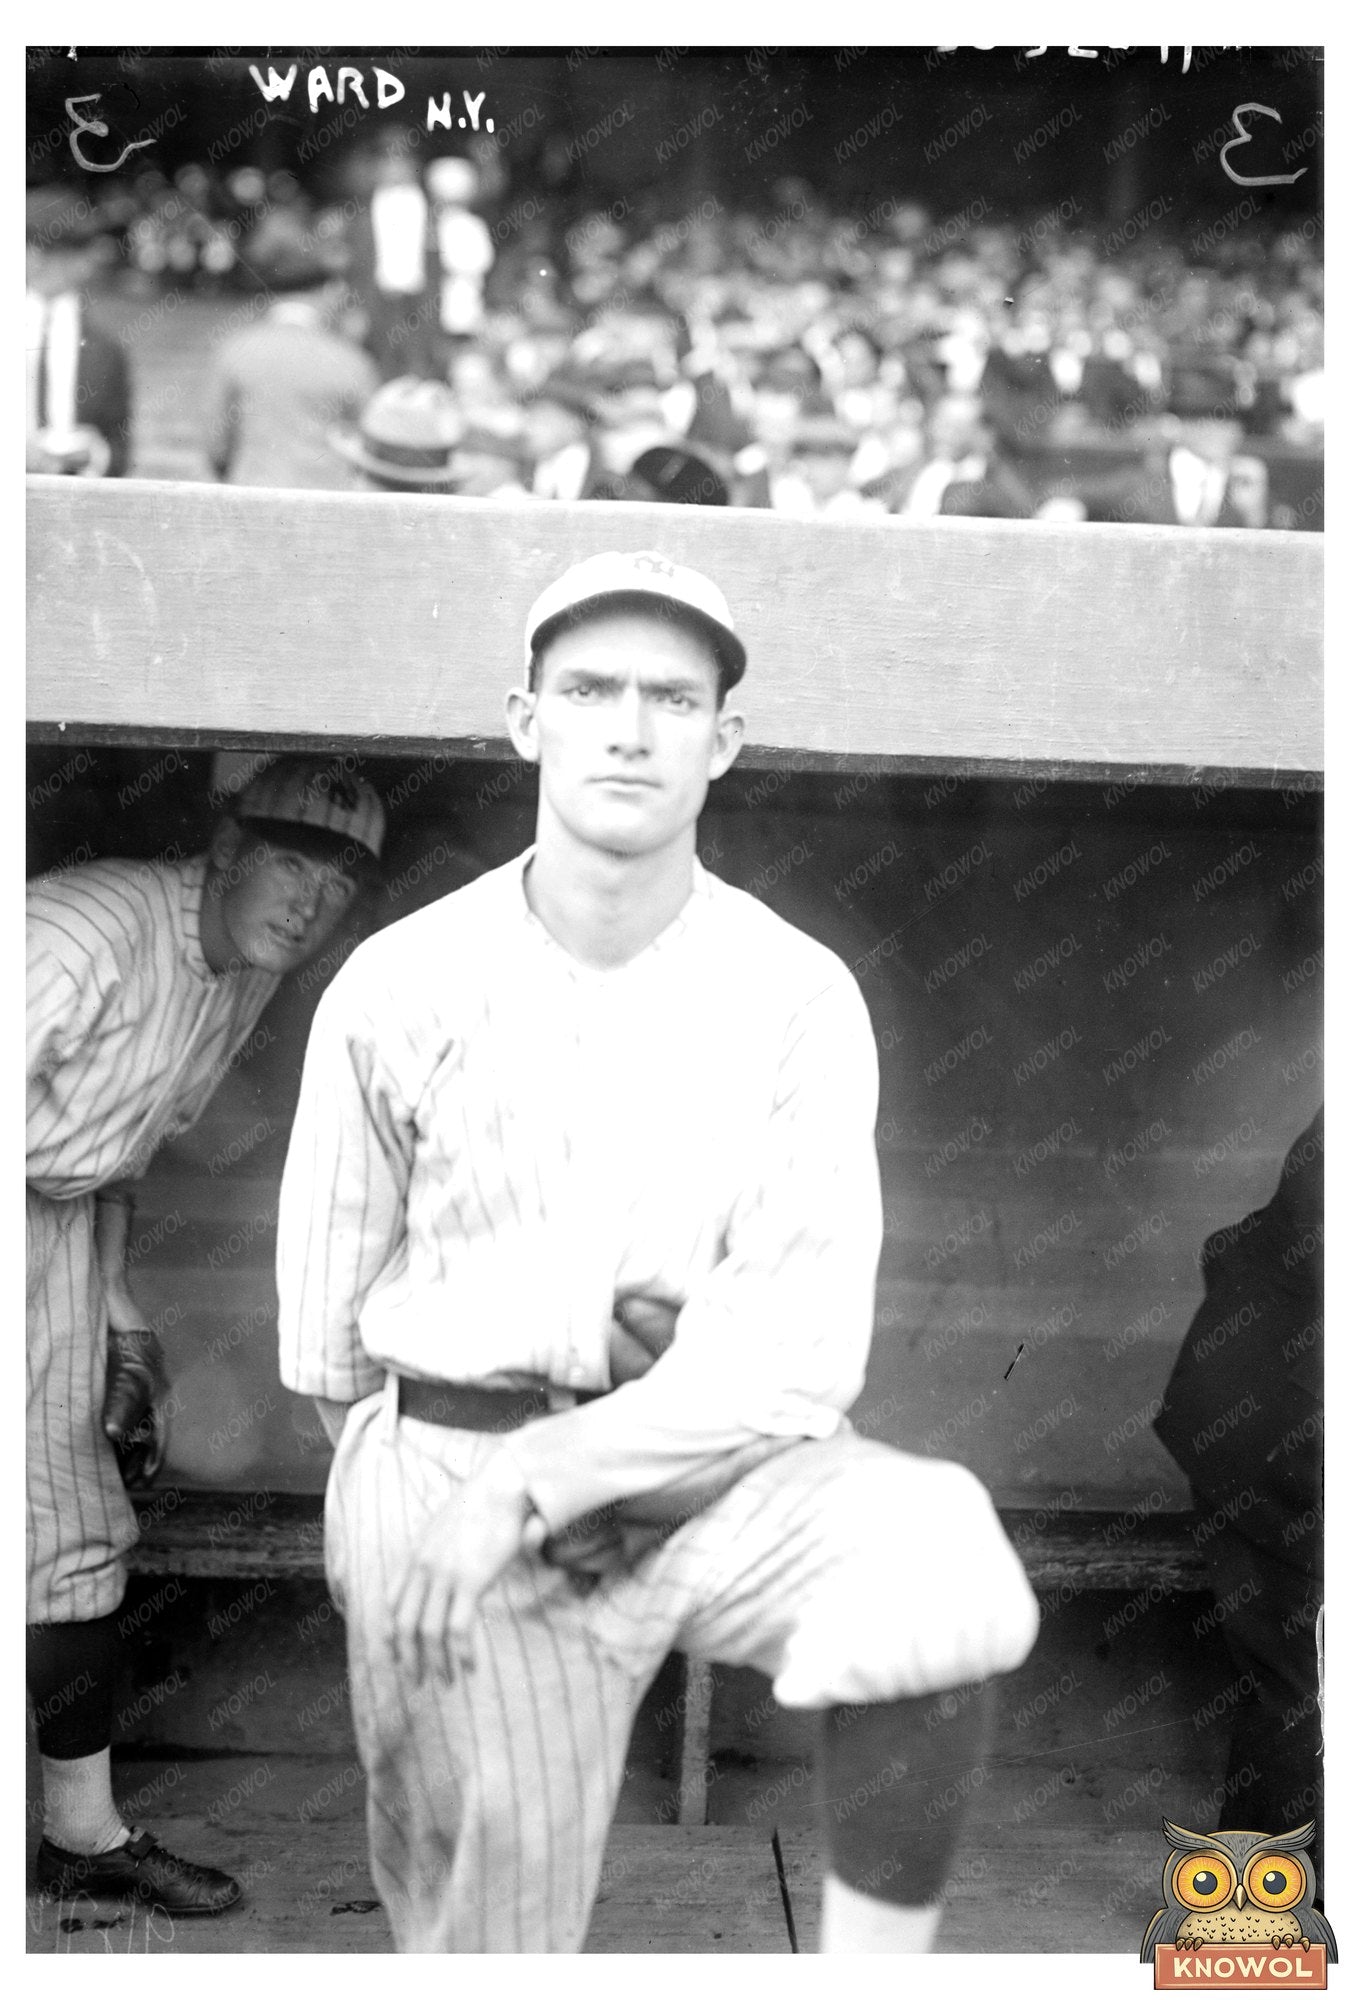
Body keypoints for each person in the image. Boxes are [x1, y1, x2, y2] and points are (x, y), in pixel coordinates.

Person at [276, 549, 1040, 1954]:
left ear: (722, 739)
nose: (628, 726)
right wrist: (456, 1480)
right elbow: (327, 1342)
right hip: (453, 1482)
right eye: (589, 688)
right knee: (488, 1948)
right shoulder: (398, 982)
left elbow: (803, 1350)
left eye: (671, 698)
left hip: (706, 1467)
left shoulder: (795, 992)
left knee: (937, 1556)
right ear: (526, 720)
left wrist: (582, 1460)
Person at [27, 757, 385, 1916]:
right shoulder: (83, 931)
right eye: (291, 859)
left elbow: (118, 1153)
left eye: (340, 878)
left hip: (60, 1228)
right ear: (227, 848)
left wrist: (115, 1300)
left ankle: (79, 1836)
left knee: (75, 1536)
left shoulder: (245, 969)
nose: (310, 898)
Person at [1154, 1109, 1324, 1879]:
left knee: (1302, 1680)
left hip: (1270, 1410)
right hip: (1271, 1428)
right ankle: (1264, 1919)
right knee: (1307, 1683)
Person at [204, 237, 379, 490]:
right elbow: (372, 448)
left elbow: (216, 447)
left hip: (251, 498)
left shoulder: (234, 350)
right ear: (326, 290)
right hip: (328, 506)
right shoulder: (350, 360)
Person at [26, 186, 132, 478]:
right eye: (74, 252)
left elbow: (120, 450)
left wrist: (94, 455)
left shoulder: (106, 348)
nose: (87, 265)